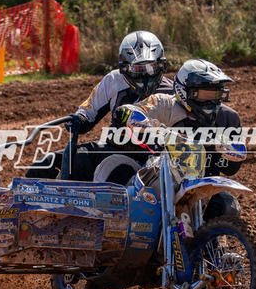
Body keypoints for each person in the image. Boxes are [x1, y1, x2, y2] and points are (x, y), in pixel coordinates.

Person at [25, 30, 174, 181]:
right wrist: (79, 119)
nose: (144, 75)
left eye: (151, 67)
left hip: (152, 160)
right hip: (113, 148)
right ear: (125, 68)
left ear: (161, 65)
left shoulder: (172, 93)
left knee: (115, 172)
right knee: (47, 163)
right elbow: (88, 112)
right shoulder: (113, 80)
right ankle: (26, 193)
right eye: (137, 69)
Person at [114, 58, 243, 219]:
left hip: (201, 187)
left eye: (216, 95)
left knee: (228, 206)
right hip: (157, 178)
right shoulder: (163, 104)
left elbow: (231, 169)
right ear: (184, 92)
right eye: (205, 95)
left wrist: (225, 150)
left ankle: (210, 234)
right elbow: (134, 110)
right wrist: (129, 113)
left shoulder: (228, 118)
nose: (211, 102)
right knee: (116, 170)